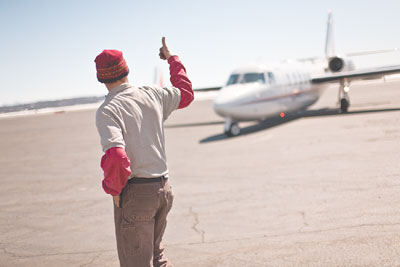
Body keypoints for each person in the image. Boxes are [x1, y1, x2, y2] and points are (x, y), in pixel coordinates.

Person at [94, 37, 193, 267]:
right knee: (157, 259)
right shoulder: (153, 94)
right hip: (163, 189)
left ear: (100, 78)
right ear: (126, 69)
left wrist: (115, 191)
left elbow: (116, 156)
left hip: (136, 194)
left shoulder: (108, 110)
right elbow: (185, 94)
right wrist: (172, 59)